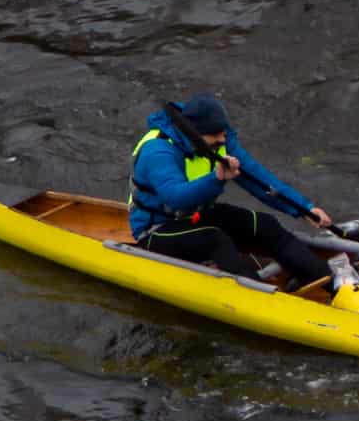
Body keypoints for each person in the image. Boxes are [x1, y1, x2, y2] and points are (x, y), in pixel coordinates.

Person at [126, 92, 333, 288]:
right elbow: (176, 197)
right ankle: (262, 300)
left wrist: (304, 209)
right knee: (215, 239)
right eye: (215, 134)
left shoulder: (220, 141)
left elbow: (260, 179)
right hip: (156, 231)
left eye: (223, 132)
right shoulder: (158, 150)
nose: (223, 139)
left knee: (263, 224)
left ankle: (334, 284)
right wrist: (216, 178)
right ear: (194, 133)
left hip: (196, 216)